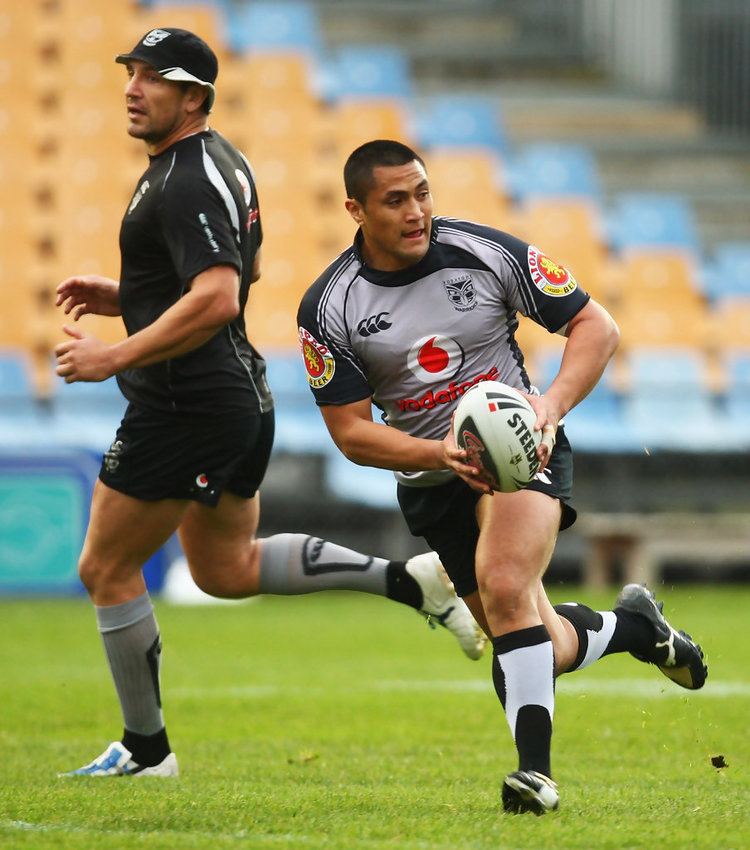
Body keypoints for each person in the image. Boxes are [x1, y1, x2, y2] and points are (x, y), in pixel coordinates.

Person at [54, 30, 485, 779]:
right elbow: (240, 268)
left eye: (153, 77)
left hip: (185, 405)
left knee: (105, 568)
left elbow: (219, 294)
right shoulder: (214, 162)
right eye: (130, 72)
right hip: (230, 396)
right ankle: (408, 580)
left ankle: (147, 751)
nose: (132, 87)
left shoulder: (185, 176)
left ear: (193, 97)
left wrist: (114, 353)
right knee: (225, 569)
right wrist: (131, 297)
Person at [297, 139, 708, 815]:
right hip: (430, 481)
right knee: (536, 643)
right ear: (355, 209)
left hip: (522, 452)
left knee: (506, 584)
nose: (415, 211)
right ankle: (639, 631)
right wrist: (436, 456)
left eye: (422, 192)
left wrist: (548, 407)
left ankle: (535, 778)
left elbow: (594, 326)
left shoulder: (485, 252)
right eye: (395, 200)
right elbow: (349, 432)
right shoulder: (329, 307)